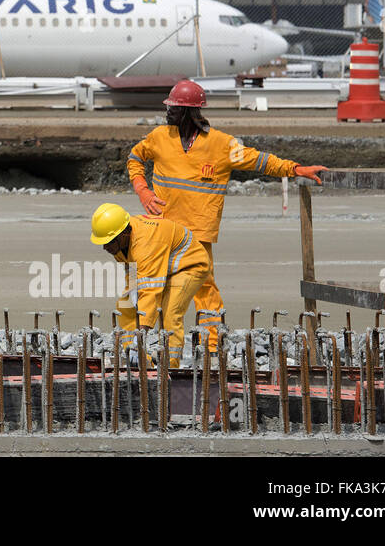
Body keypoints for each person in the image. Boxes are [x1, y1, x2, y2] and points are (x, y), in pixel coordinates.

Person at [126, 79, 327, 350]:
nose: (168, 111)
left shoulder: (220, 144)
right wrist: (143, 191)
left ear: (188, 111)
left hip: (196, 235)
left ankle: (211, 347)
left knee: (205, 291)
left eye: (174, 107)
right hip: (162, 230)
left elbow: (260, 160)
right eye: (169, 106)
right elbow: (135, 158)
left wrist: (295, 169)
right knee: (156, 287)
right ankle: (159, 346)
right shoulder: (159, 137)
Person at [89, 202, 208, 368]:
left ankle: (170, 366)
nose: (105, 247)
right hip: (159, 266)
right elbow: (133, 272)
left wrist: (141, 335)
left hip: (188, 266)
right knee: (125, 306)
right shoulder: (120, 245)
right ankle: (137, 358)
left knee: (169, 312)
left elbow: (150, 291)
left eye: (108, 242)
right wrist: (131, 298)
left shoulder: (145, 245)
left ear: (124, 234)